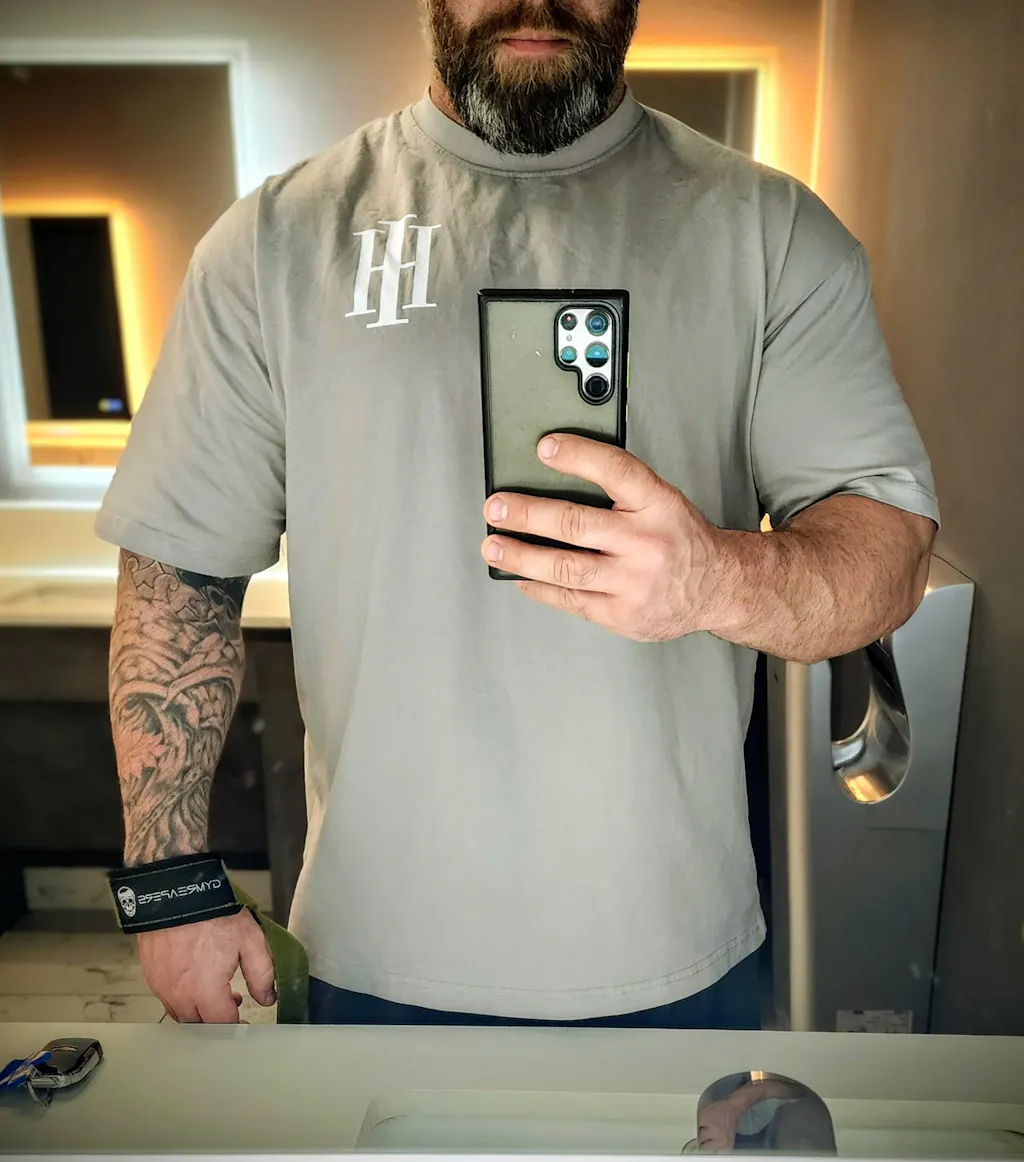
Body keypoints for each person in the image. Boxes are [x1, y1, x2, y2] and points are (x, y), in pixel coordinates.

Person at [96, 0, 939, 1027]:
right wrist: (167, 886)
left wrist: (714, 578)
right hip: (375, 950)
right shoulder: (273, 242)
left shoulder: (776, 235)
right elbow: (179, 574)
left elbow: (889, 557)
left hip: (676, 953)